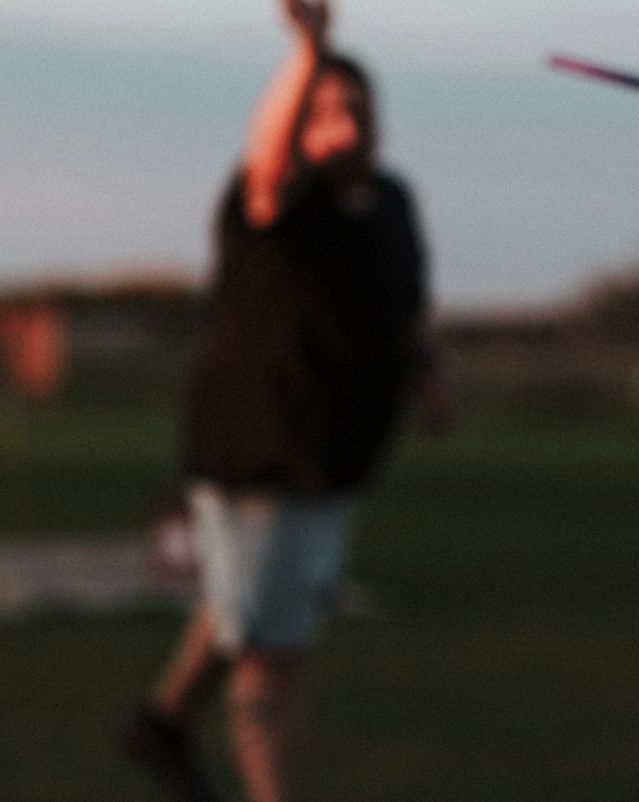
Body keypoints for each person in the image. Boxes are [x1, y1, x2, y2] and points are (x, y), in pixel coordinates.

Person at [118, 1, 450, 799]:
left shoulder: (393, 204)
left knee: (252, 614)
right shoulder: (273, 203)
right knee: (273, 651)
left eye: (355, 106)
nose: (342, 122)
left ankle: (161, 725)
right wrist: (309, 50)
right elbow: (267, 160)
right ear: (299, 118)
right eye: (322, 108)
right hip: (257, 456)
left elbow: (399, 312)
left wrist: (424, 374)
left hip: (332, 463)